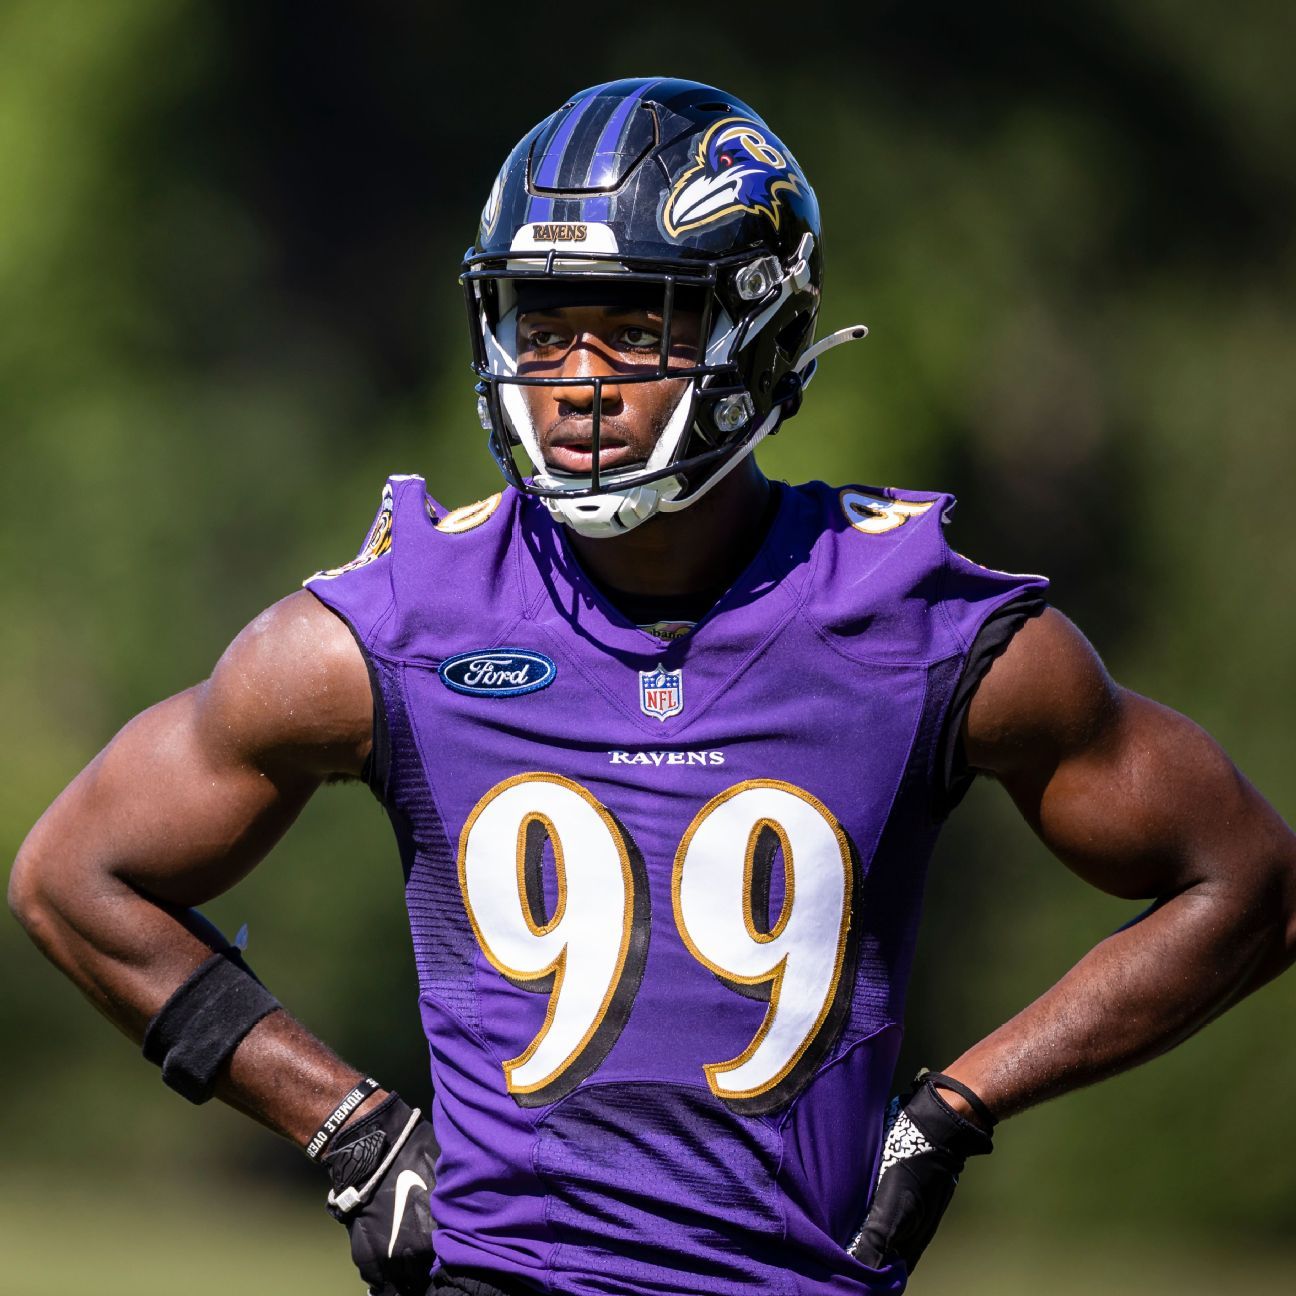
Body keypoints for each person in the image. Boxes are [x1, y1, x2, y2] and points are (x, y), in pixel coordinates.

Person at [9, 76, 1296, 1296]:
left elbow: (1250, 883)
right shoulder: (399, 625)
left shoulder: (910, 622)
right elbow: (72, 876)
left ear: (761, 333)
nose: (576, 384)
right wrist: (345, 1126)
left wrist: (961, 1109)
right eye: (542, 328)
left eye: (633, 330)